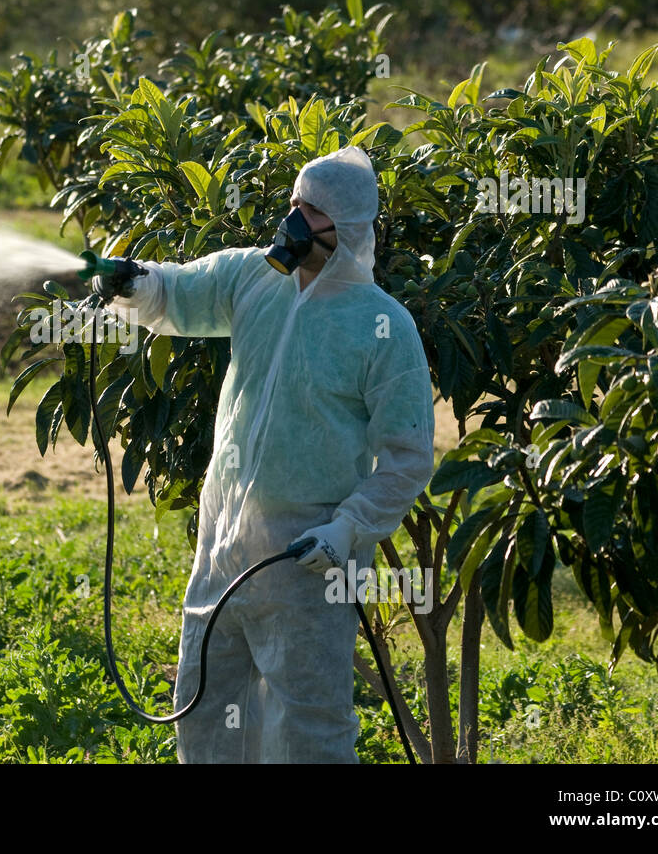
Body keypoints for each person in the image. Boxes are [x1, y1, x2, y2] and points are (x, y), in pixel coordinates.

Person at [93, 144, 435, 763]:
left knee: (310, 727)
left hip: (309, 558)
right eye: (294, 203)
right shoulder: (253, 275)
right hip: (224, 542)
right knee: (205, 709)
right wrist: (134, 281)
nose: (295, 220)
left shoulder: (382, 326)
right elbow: (175, 293)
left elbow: (408, 456)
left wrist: (346, 529)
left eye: (313, 211)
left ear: (349, 229)